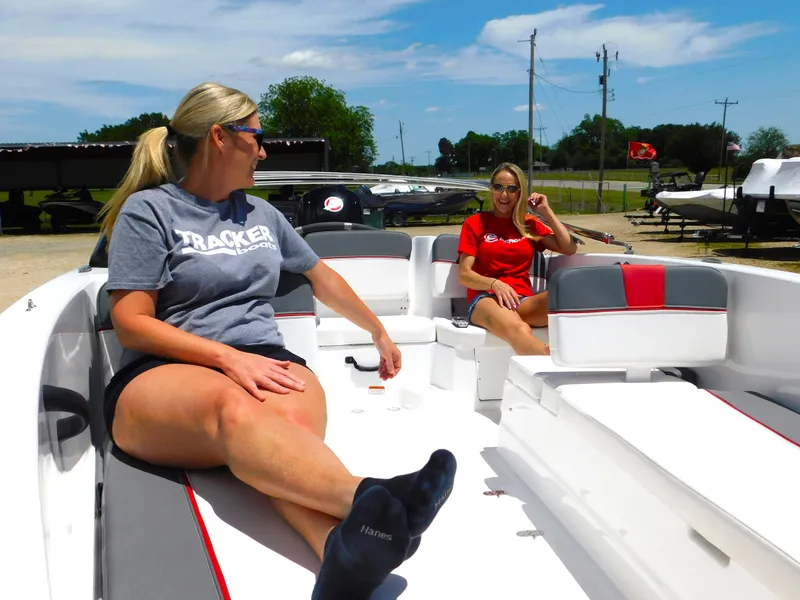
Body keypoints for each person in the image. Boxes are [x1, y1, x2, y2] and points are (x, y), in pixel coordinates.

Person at [98, 82, 456, 600]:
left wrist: (377, 329)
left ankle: (342, 556)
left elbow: (321, 277)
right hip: (166, 373)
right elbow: (131, 321)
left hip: (265, 360)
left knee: (285, 440)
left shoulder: (263, 214)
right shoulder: (149, 212)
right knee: (234, 408)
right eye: (257, 137)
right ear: (220, 137)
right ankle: (374, 495)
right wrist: (228, 360)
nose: (264, 151)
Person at [457, 162, 577, 355]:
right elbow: (464, 275)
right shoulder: (475, 223)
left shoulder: (527, 224)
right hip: (485, 299)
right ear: (491, 188)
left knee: (570, 296)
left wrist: (546, 211)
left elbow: (569, 248)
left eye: (512, 189)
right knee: (520, 329)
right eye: (498, 187)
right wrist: (495, 284)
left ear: (520, 193)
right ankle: (556, 367)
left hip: (521, 301)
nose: (504, 195)